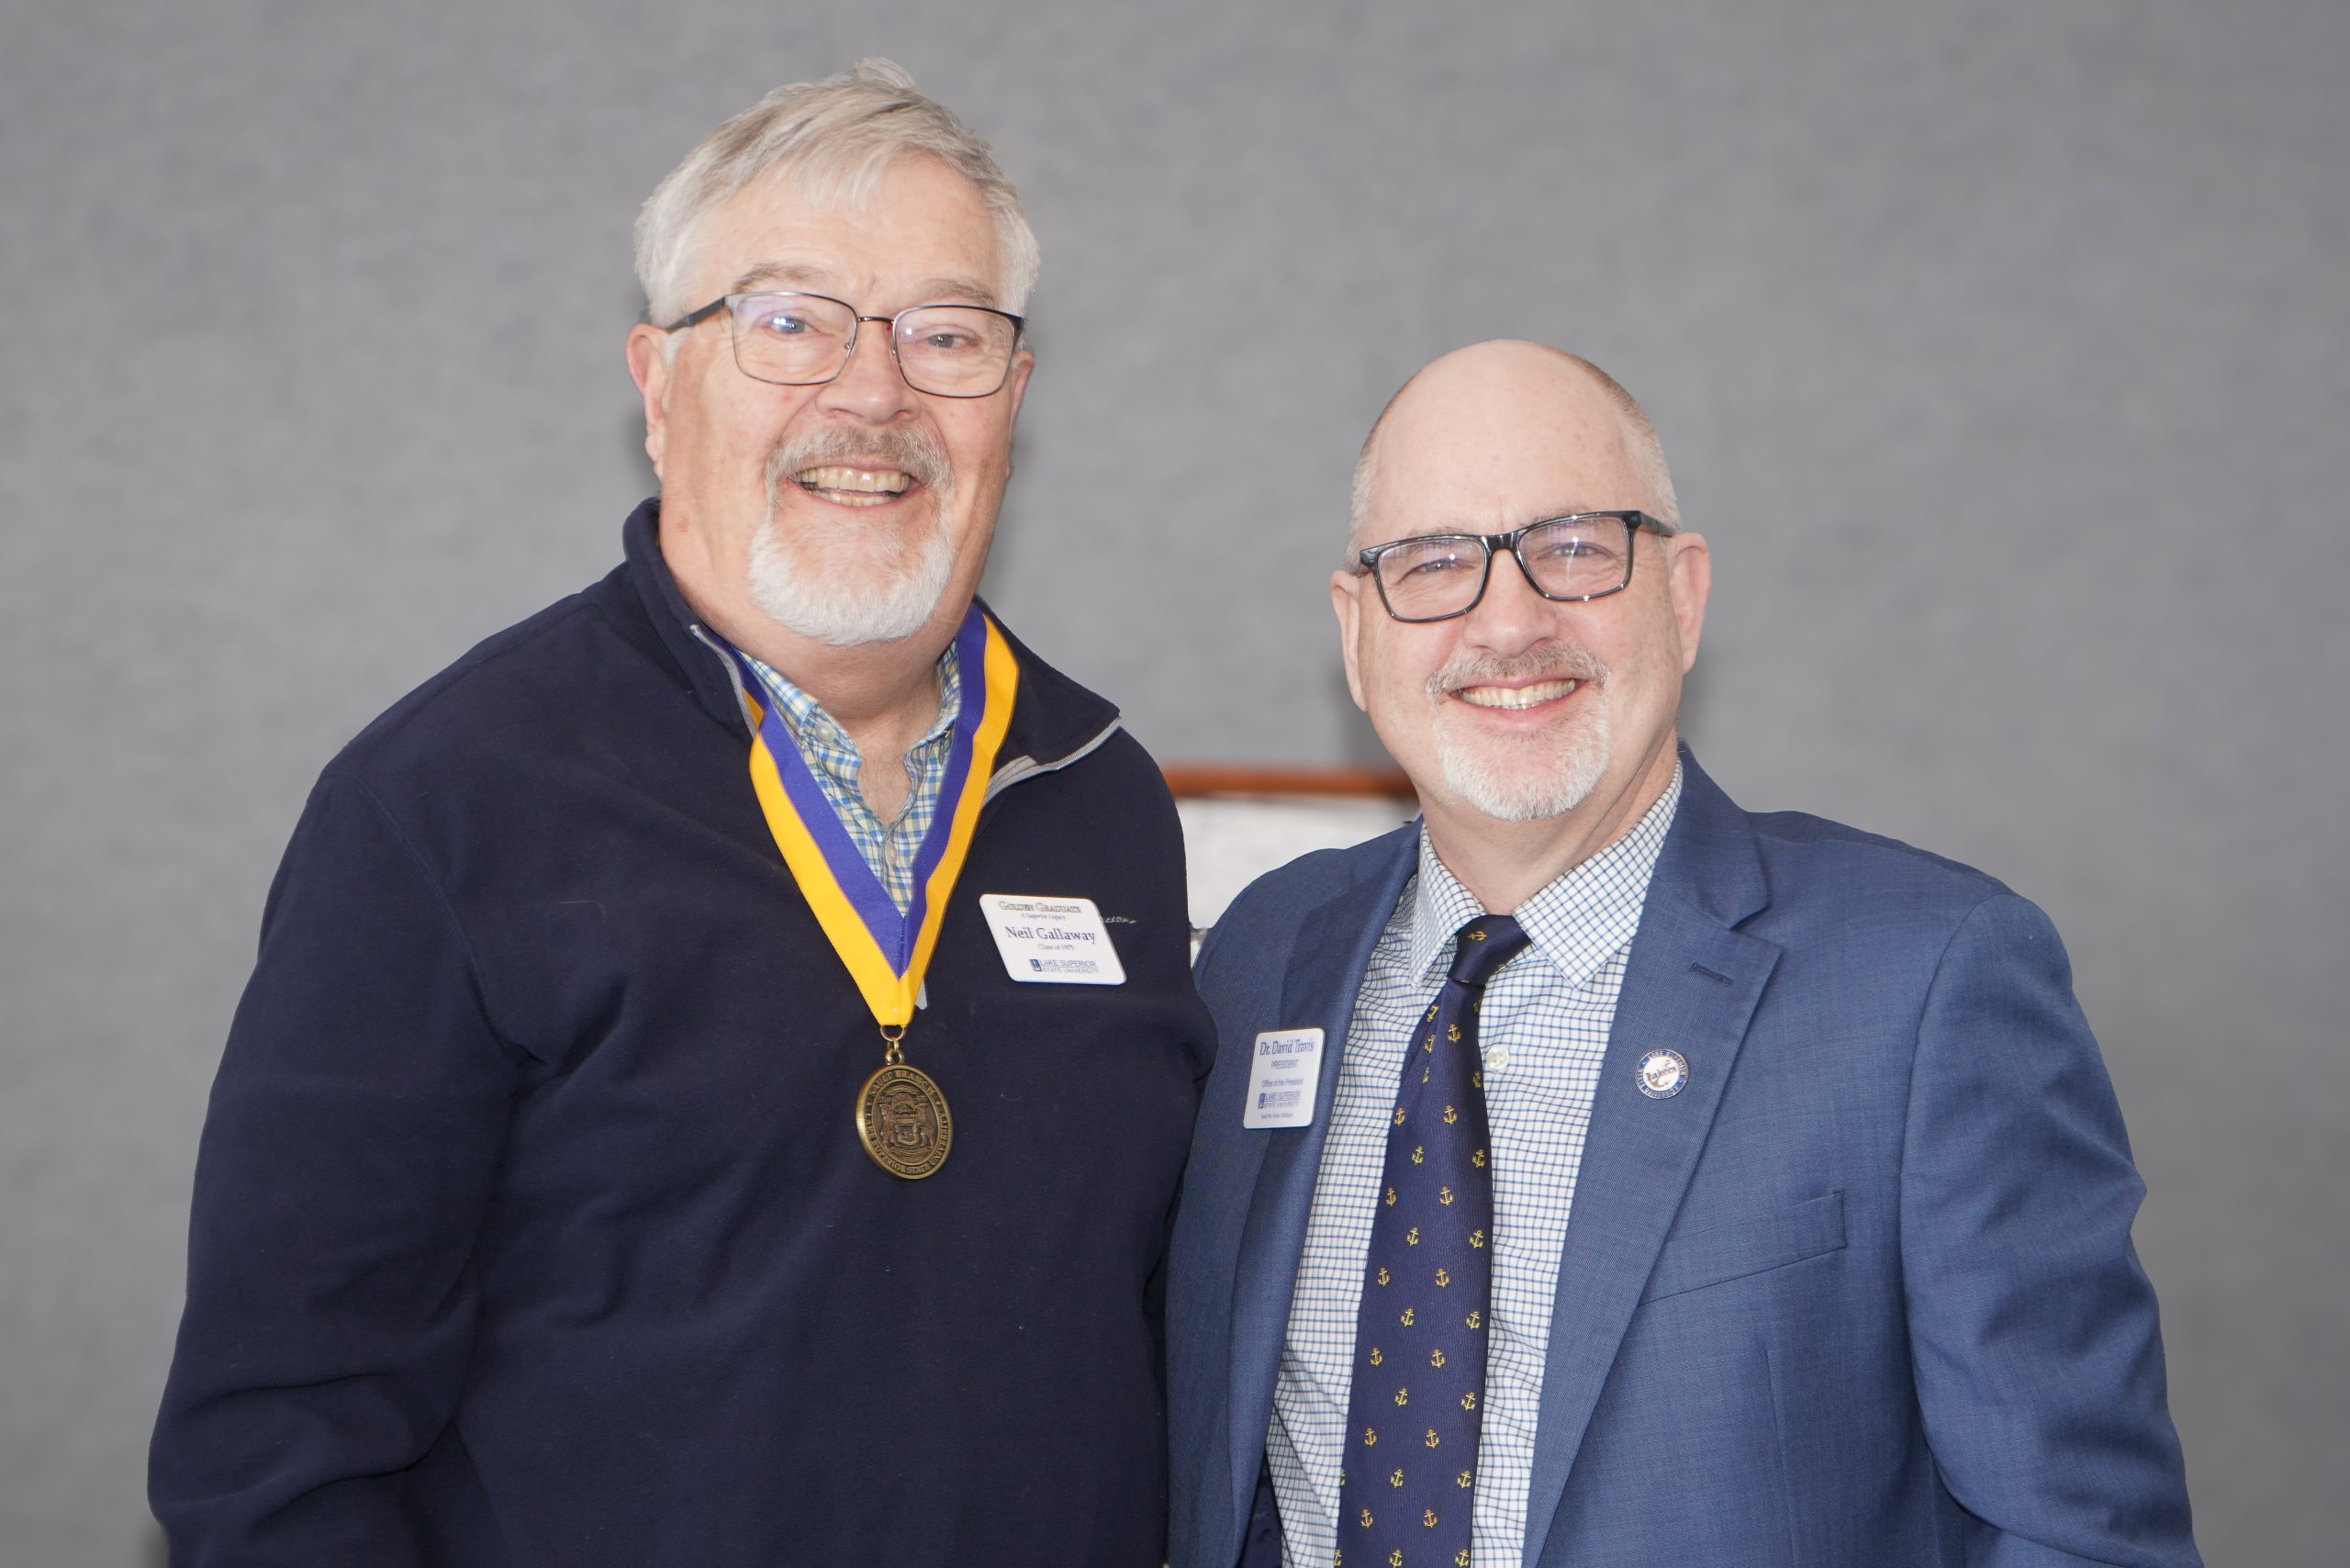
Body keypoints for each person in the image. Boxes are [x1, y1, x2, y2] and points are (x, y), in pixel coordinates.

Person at [151, 61, 1211, 1568]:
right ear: (660, 386)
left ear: (1013, 399)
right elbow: (279, 1449)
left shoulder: (1102, 798)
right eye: (789, 322)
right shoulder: (446, 806)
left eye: (946, 334)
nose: (874, 393)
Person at [1166, 342, 2199, 1567]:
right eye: (1434, 562)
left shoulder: (1926, 982)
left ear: (1684, 593)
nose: (1509, 619)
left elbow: (2075, 1535)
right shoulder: (1261, 958)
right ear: (1356, 632)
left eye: (1573, 546)